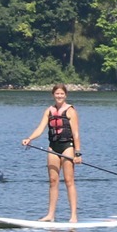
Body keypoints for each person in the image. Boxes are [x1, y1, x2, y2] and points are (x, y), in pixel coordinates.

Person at [21, 84, 82, 221]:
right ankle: (51, 215)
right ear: (53, 95)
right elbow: (40, 128)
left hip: (67, 146)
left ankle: (73, 216)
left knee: (68, 181)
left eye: (62, 94)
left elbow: (76, 133)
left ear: (65, 95)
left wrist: (78, 153)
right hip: (53, 147)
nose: (59, 96)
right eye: (57, 94)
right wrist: (29, 138)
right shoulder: (49, 111)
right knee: (53, 181)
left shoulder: (70, 111)